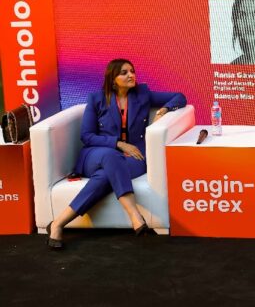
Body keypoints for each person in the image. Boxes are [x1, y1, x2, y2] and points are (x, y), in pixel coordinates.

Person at [45, 59, 186, 249]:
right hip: (96, 154)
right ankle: (135, 215)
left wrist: (164, 110)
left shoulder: (143, 94)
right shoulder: (96, 99)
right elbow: (87, 136)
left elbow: (180, 97)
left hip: (135, 156)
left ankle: (58, 223)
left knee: (105, 176)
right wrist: (118, 144)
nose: (131, 75)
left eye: (132, 71)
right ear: (113, 79)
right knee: (111, 157)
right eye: (124, 72)